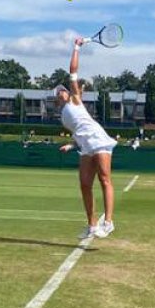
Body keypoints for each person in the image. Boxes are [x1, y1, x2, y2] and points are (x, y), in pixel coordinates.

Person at [53, 37, 118, 240]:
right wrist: (71, 145)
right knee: (84, 184)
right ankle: (92, 225)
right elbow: (80, 135)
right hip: (86, 146)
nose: (63, 91)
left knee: (104, 179)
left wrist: (76, 47)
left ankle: (108, 222)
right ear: (56, 99)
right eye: (59, 91)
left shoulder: (75, 99)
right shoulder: (63, 117)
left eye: (64, 89)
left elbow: (72, 71)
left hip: (99, 140)